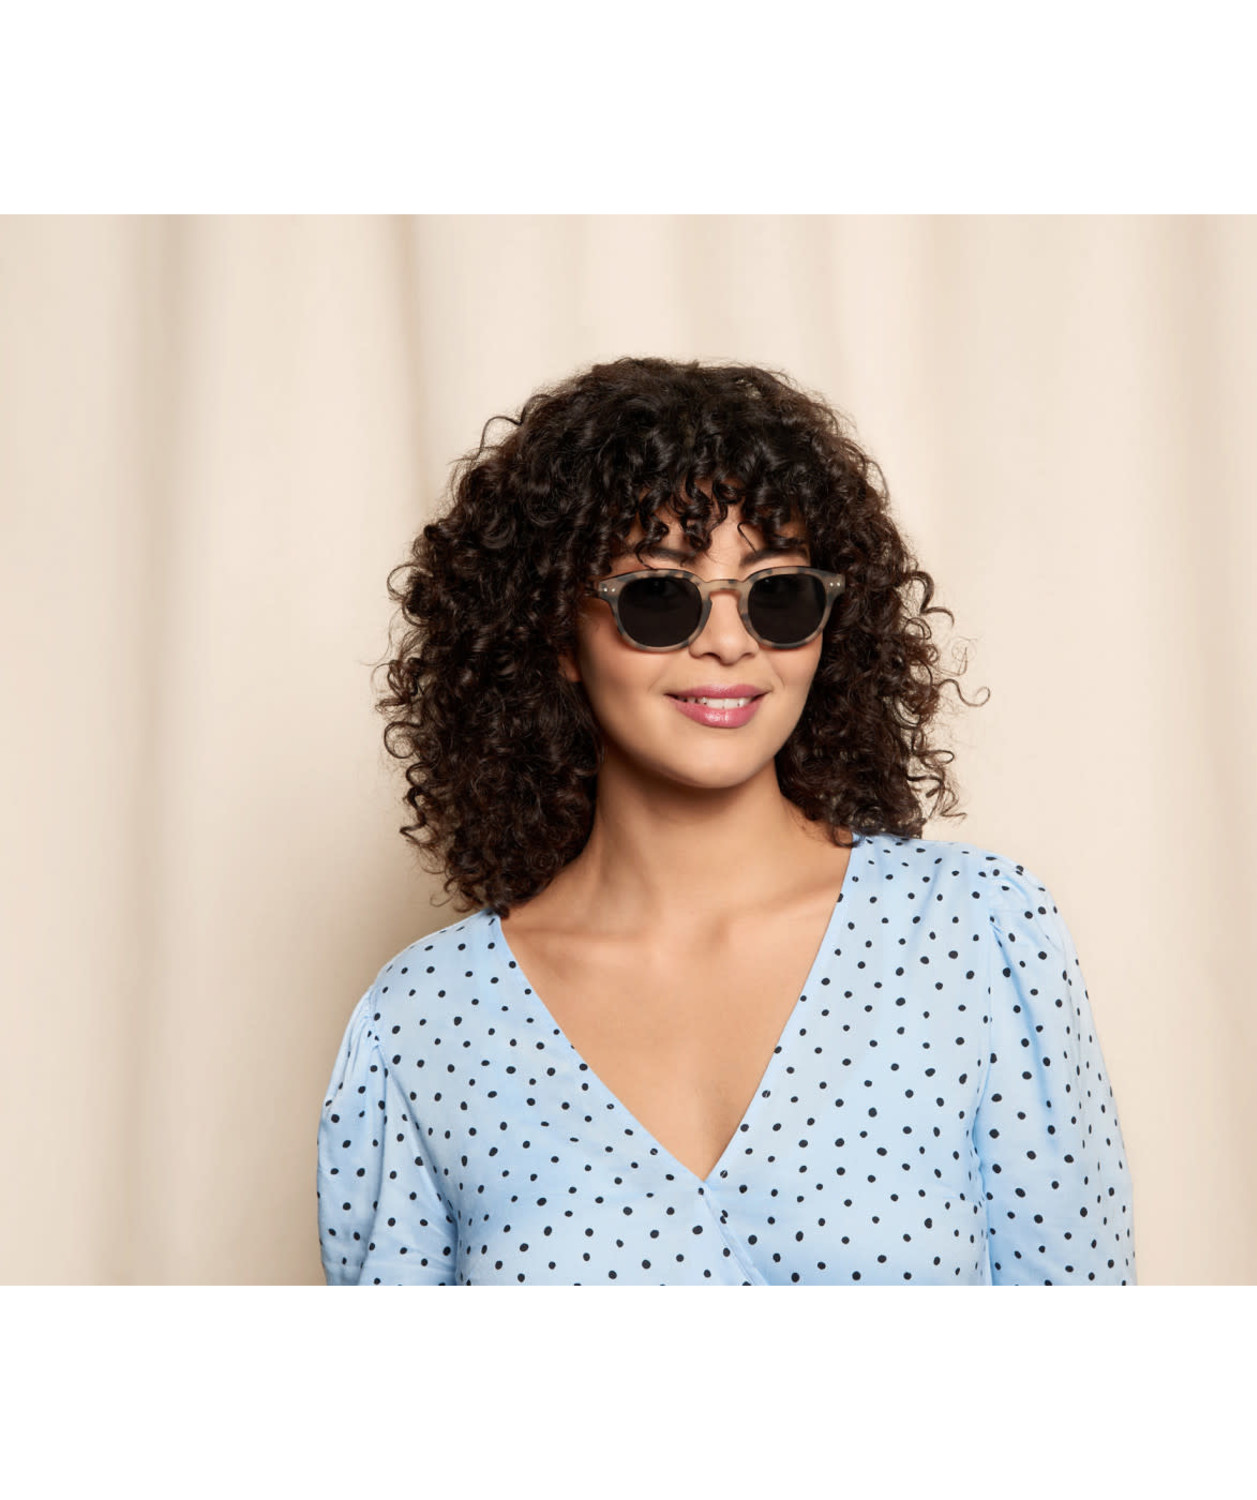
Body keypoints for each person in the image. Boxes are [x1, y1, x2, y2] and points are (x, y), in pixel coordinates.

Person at [316, 356, 1135, 1285]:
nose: (729, 641)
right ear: (556, 634)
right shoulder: (423, 1020)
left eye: (777, 594)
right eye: (658, 597)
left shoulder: (977, 935)